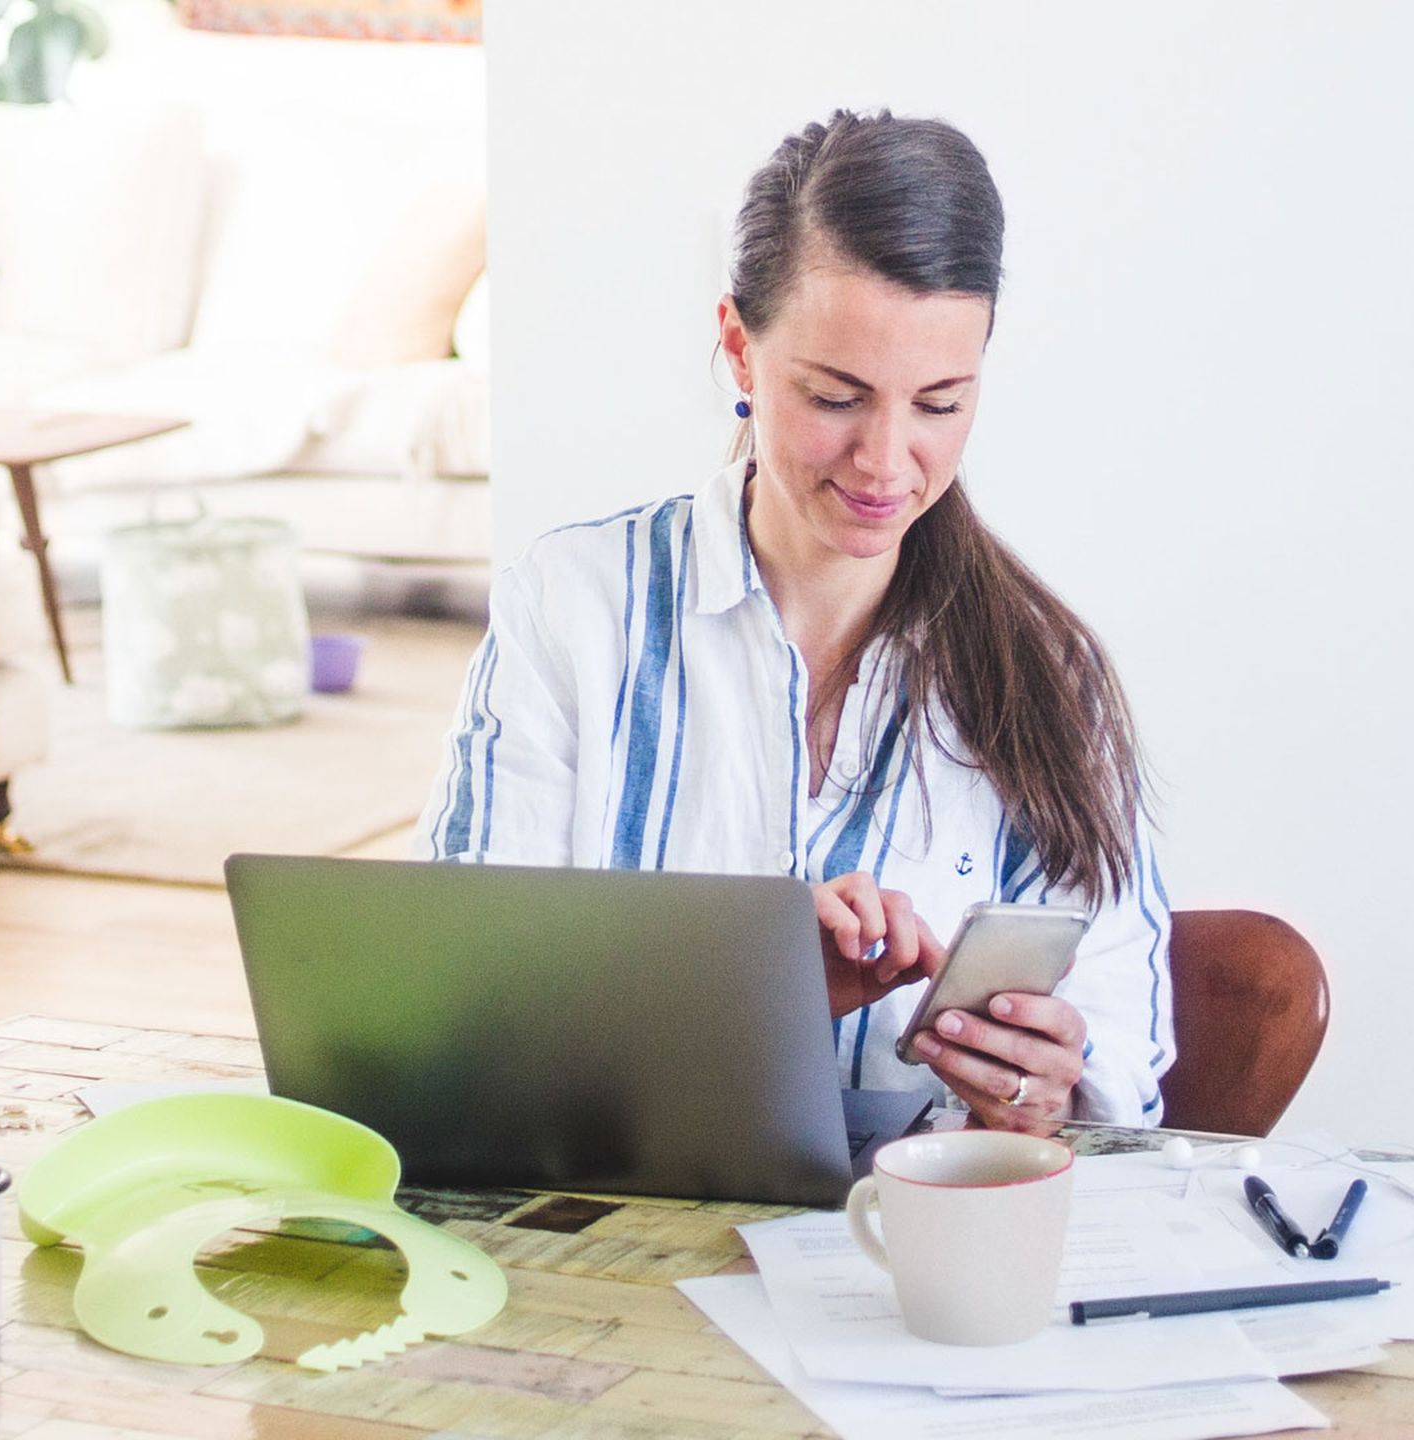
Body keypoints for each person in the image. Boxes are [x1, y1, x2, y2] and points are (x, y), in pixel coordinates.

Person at [417, 109, 1170, 1130]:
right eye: (835, 397)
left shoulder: (1046, 669)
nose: (886, 461)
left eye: (941, 403)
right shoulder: (574, 608)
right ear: (738, 347)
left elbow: (1123, 1047)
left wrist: (1054, 1082)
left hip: (919, 1244)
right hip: (621, 1248)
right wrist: (752, 1005)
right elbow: (460, 1013)